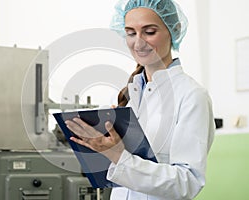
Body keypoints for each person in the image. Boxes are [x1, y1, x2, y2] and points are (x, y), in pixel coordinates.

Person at [65, 0, 215, 199]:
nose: (138, 43)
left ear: (174, 30)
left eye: (149, 32)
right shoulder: (125, 96)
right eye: (131, 33)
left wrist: (118, 156)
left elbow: (187, 182)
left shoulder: (191, 95)